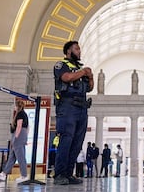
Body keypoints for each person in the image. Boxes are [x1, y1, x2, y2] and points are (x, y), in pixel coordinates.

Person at [53, 40, 93, 186]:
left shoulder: (79, 68)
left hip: (82, 108)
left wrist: (91, 76)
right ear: (69, 51)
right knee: (66, 140)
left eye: (79, 49)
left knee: (77, 142)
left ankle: (69, 174)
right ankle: (59, 174)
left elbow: (89, 88)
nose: (79, 51)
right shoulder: (61, 65)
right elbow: (66, 78)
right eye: (77, 49)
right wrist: (84, 72)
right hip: (67, 107)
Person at [0, 98, 29, 184]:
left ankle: (24, 175)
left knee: (20, 156)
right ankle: (4, 173)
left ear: (17, 106)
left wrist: (15, 138)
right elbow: (28, 127)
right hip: (21, 135)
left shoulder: (20, 114)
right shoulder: (23, 114)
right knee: (12, 157)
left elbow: (19, 126)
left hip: (18, 135)